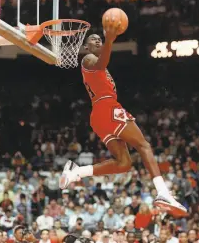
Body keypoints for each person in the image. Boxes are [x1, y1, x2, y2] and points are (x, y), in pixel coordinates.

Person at [59, 17, 187, 217]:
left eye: (99, 39)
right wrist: (110, 39)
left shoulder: (100, 67)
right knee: (143, 145)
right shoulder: (88, 60)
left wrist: (108, 41)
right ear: (85, 46)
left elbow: (103, 64)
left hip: (100, 115)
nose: (97, 41)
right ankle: (163, 192)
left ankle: (76, 172)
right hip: (107, 107)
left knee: (124, 164)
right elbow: (101, 63)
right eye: (93, 39)